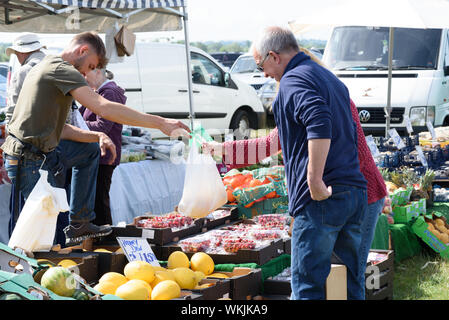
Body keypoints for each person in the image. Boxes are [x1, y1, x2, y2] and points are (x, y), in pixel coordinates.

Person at [204, 48, 388, 299]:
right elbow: (270, 144)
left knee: (344, 277)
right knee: (340, 277)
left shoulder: (314, 97)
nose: (271, 78)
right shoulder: (326, 91)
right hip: (350, 193)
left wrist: (312, 179)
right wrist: (222, 150)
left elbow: (296, 139)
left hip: (355, 193)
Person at [1, 31, 190, 246]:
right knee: (39, 235)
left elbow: (60, 129)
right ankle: (34, 270)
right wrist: (160, 122)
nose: (87, 73)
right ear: (83, 50)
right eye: (91, 66)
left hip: (36, 154)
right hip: (29, 159)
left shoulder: (49, 66)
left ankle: (80, 221)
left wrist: (97, 135)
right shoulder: (61, 69)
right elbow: (104, 107)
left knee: (89, 150)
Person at [248, 26, 368, 300]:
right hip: (352, 192)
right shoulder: (327, 77)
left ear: (273, 56)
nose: (264, 74)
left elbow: (318, 120)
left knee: (307, 288)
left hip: (322, 200)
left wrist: (313, 179)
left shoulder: (292, 80)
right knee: (350, 285)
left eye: (260, 65)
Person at [4, 33, 47, 237]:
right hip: (50, 147)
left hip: (23, 147)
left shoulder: (24, 71)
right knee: (44, 207)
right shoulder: (52, 67)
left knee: (22, 208)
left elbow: (12, 111)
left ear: (21, 53)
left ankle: (19, 256)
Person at [79, 68, 125, 226]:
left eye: (85, 73)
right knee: (97, 201)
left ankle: (107, 242)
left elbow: (102, 126)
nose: (83, 77)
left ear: (98, 71)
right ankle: (102, 240)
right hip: (98, 155)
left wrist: (75, 125)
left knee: (99, 202)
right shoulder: (98, 92)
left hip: (104, 156)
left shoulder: (109, 93)